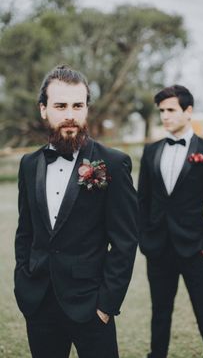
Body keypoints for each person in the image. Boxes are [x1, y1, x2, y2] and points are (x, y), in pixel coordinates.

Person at [14, 65, 138, 358]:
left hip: (92, 307)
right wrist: (23, 283)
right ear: (44, 110)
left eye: (77, 105)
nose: (70, 114)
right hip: (39, 304)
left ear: (86, 108)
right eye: (60, 106)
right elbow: (25, 232)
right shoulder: (28, 165)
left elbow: (125, 241)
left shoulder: (113, 163)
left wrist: (106, 305)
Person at [138, 85, 203, 358]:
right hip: (158, 249)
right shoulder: (151, 151)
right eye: (162, 111)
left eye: (171, 110)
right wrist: (145, 239)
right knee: (160, 314)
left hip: (194, 248)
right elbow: (142, 200)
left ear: (188, 111)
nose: (165, 116)